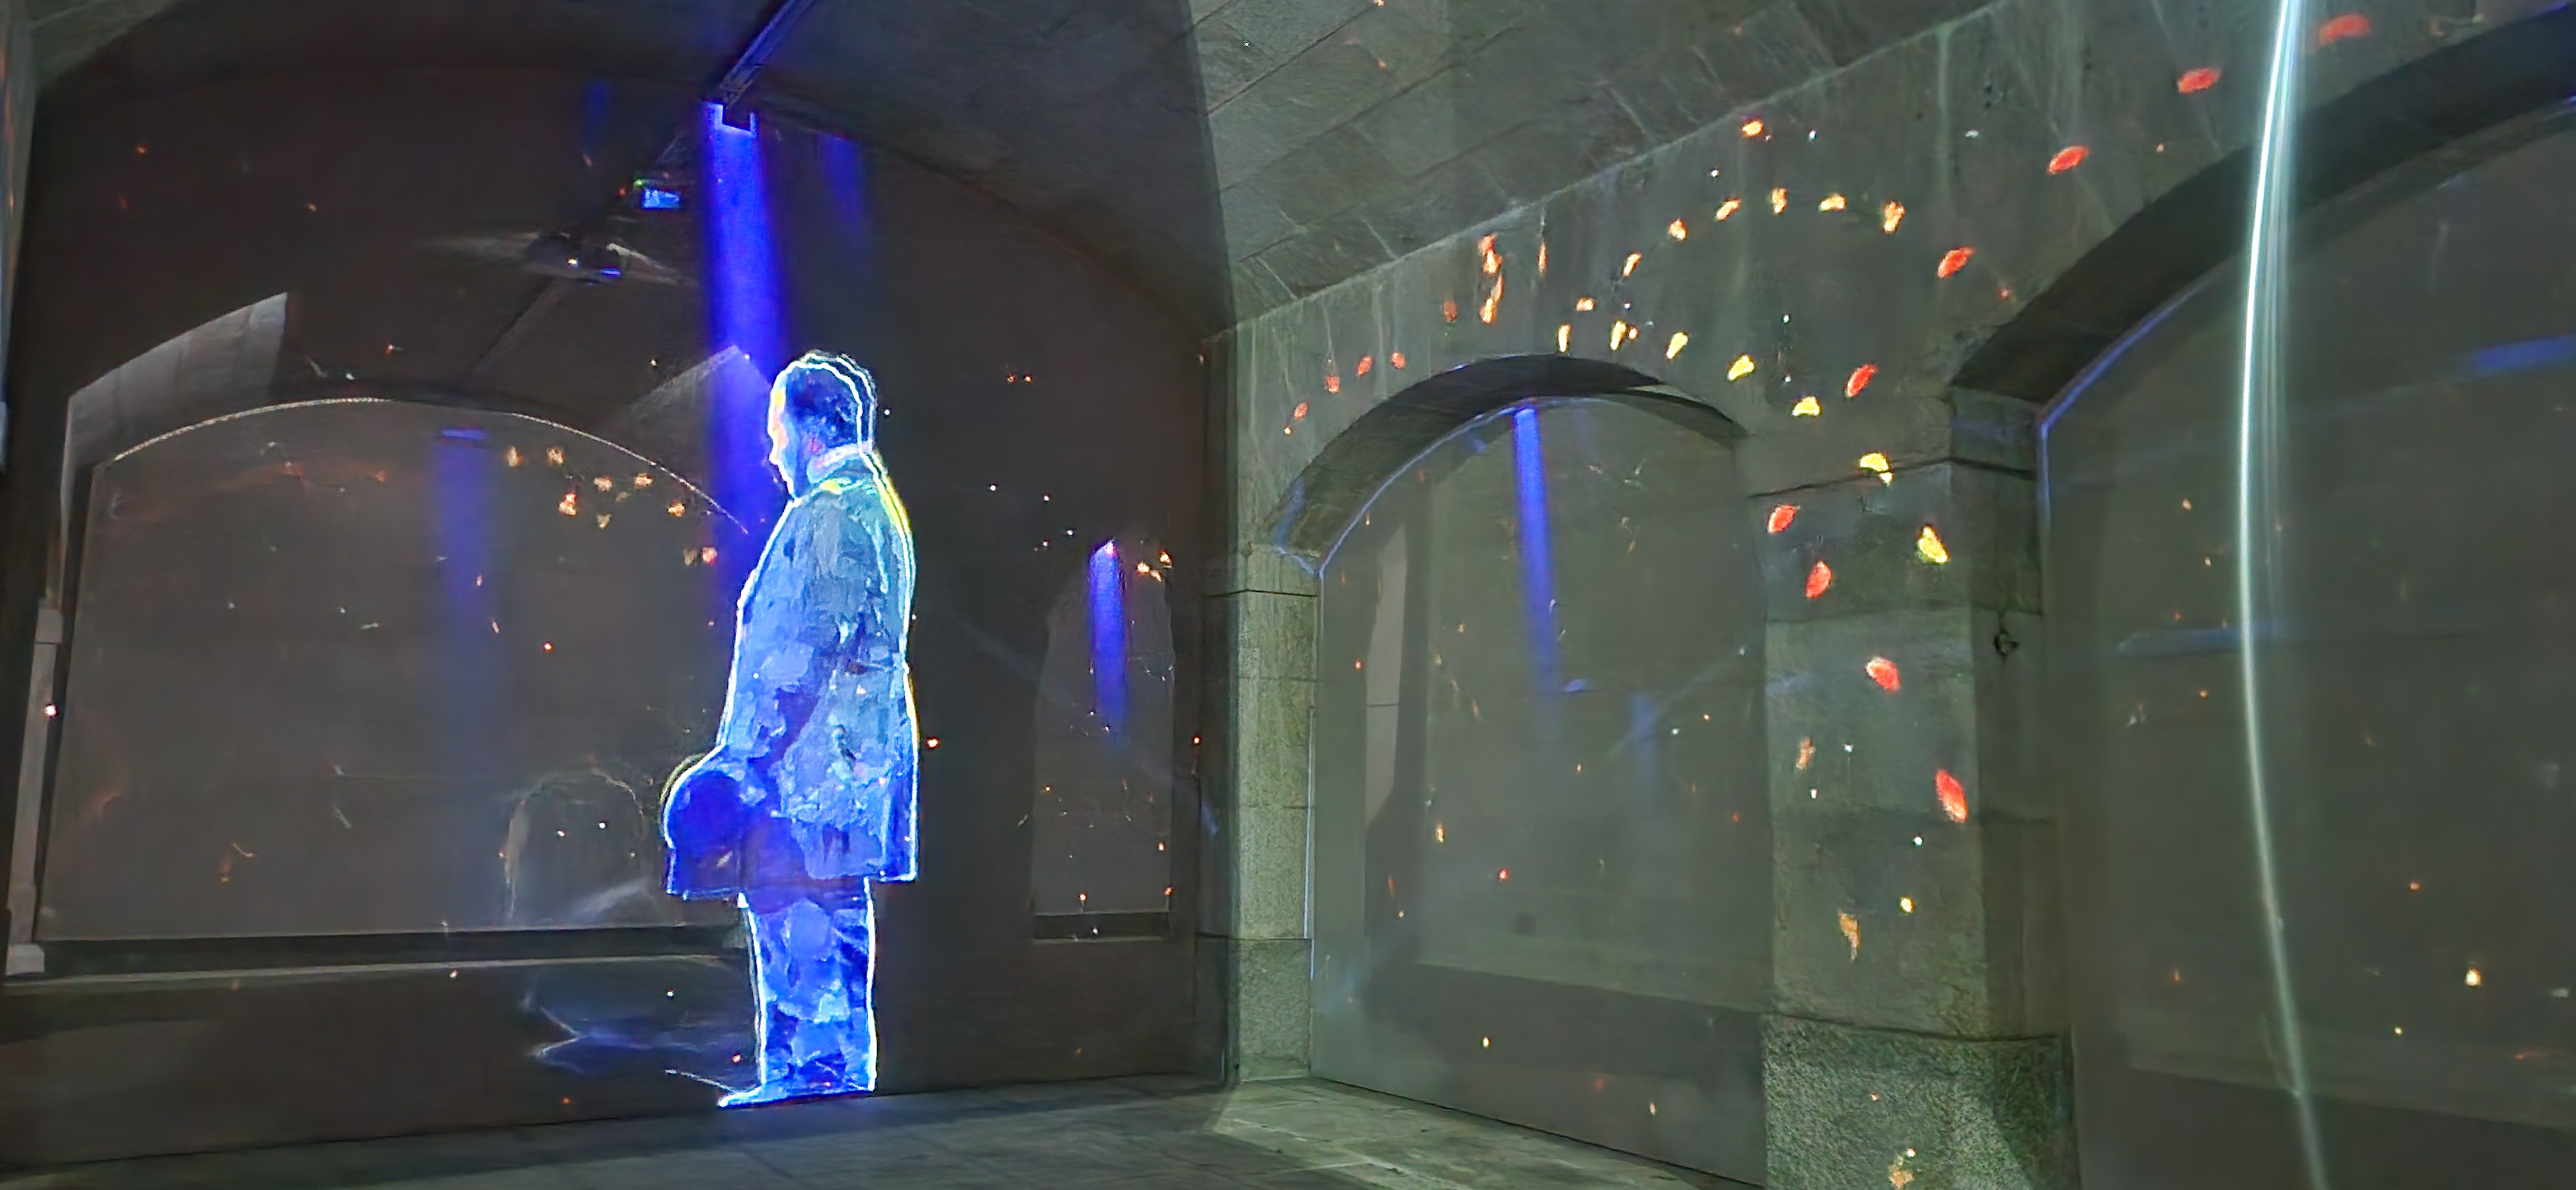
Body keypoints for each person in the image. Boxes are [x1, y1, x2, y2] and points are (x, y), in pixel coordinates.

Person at [661, 351, 917, 1106]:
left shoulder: (829, 511)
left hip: (806, 778)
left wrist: (743, 761)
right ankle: (828, 1075)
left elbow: (803, 649)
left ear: (809, 431)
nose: (772, 455)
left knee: (799, 921)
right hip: (844, 771)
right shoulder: (873, 507)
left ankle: (810, 1075)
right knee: (832, 925)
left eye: (776, 435)